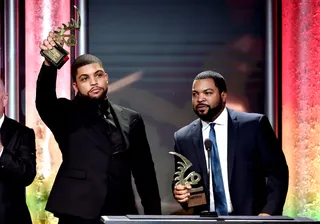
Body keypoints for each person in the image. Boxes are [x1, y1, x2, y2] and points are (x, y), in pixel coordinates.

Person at [37, 32, 161, 224]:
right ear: (75, 86)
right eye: (84, 78)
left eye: (98, 75)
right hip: (77, 211)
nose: (93, 82)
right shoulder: (65, 113)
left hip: (120, 210)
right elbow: (44, 99)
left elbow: (144, 172)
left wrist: (154, 217)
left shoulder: (131, 118)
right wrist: (49, 61)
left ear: (106, 78)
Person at [172, 70, 288, 216]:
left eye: (207, 93)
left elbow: (277, 172)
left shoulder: (254, 125)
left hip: (251, 220)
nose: (200, 98)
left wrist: (267, 213)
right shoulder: (183, 138)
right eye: (195, 94)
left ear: (223, 95)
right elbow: (185, 185)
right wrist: (181, 193)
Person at [0, 79, 36, 224]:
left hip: (9, 218)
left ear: (5, 99)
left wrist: (2, 152)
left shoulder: (22, 133)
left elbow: (27, 175)